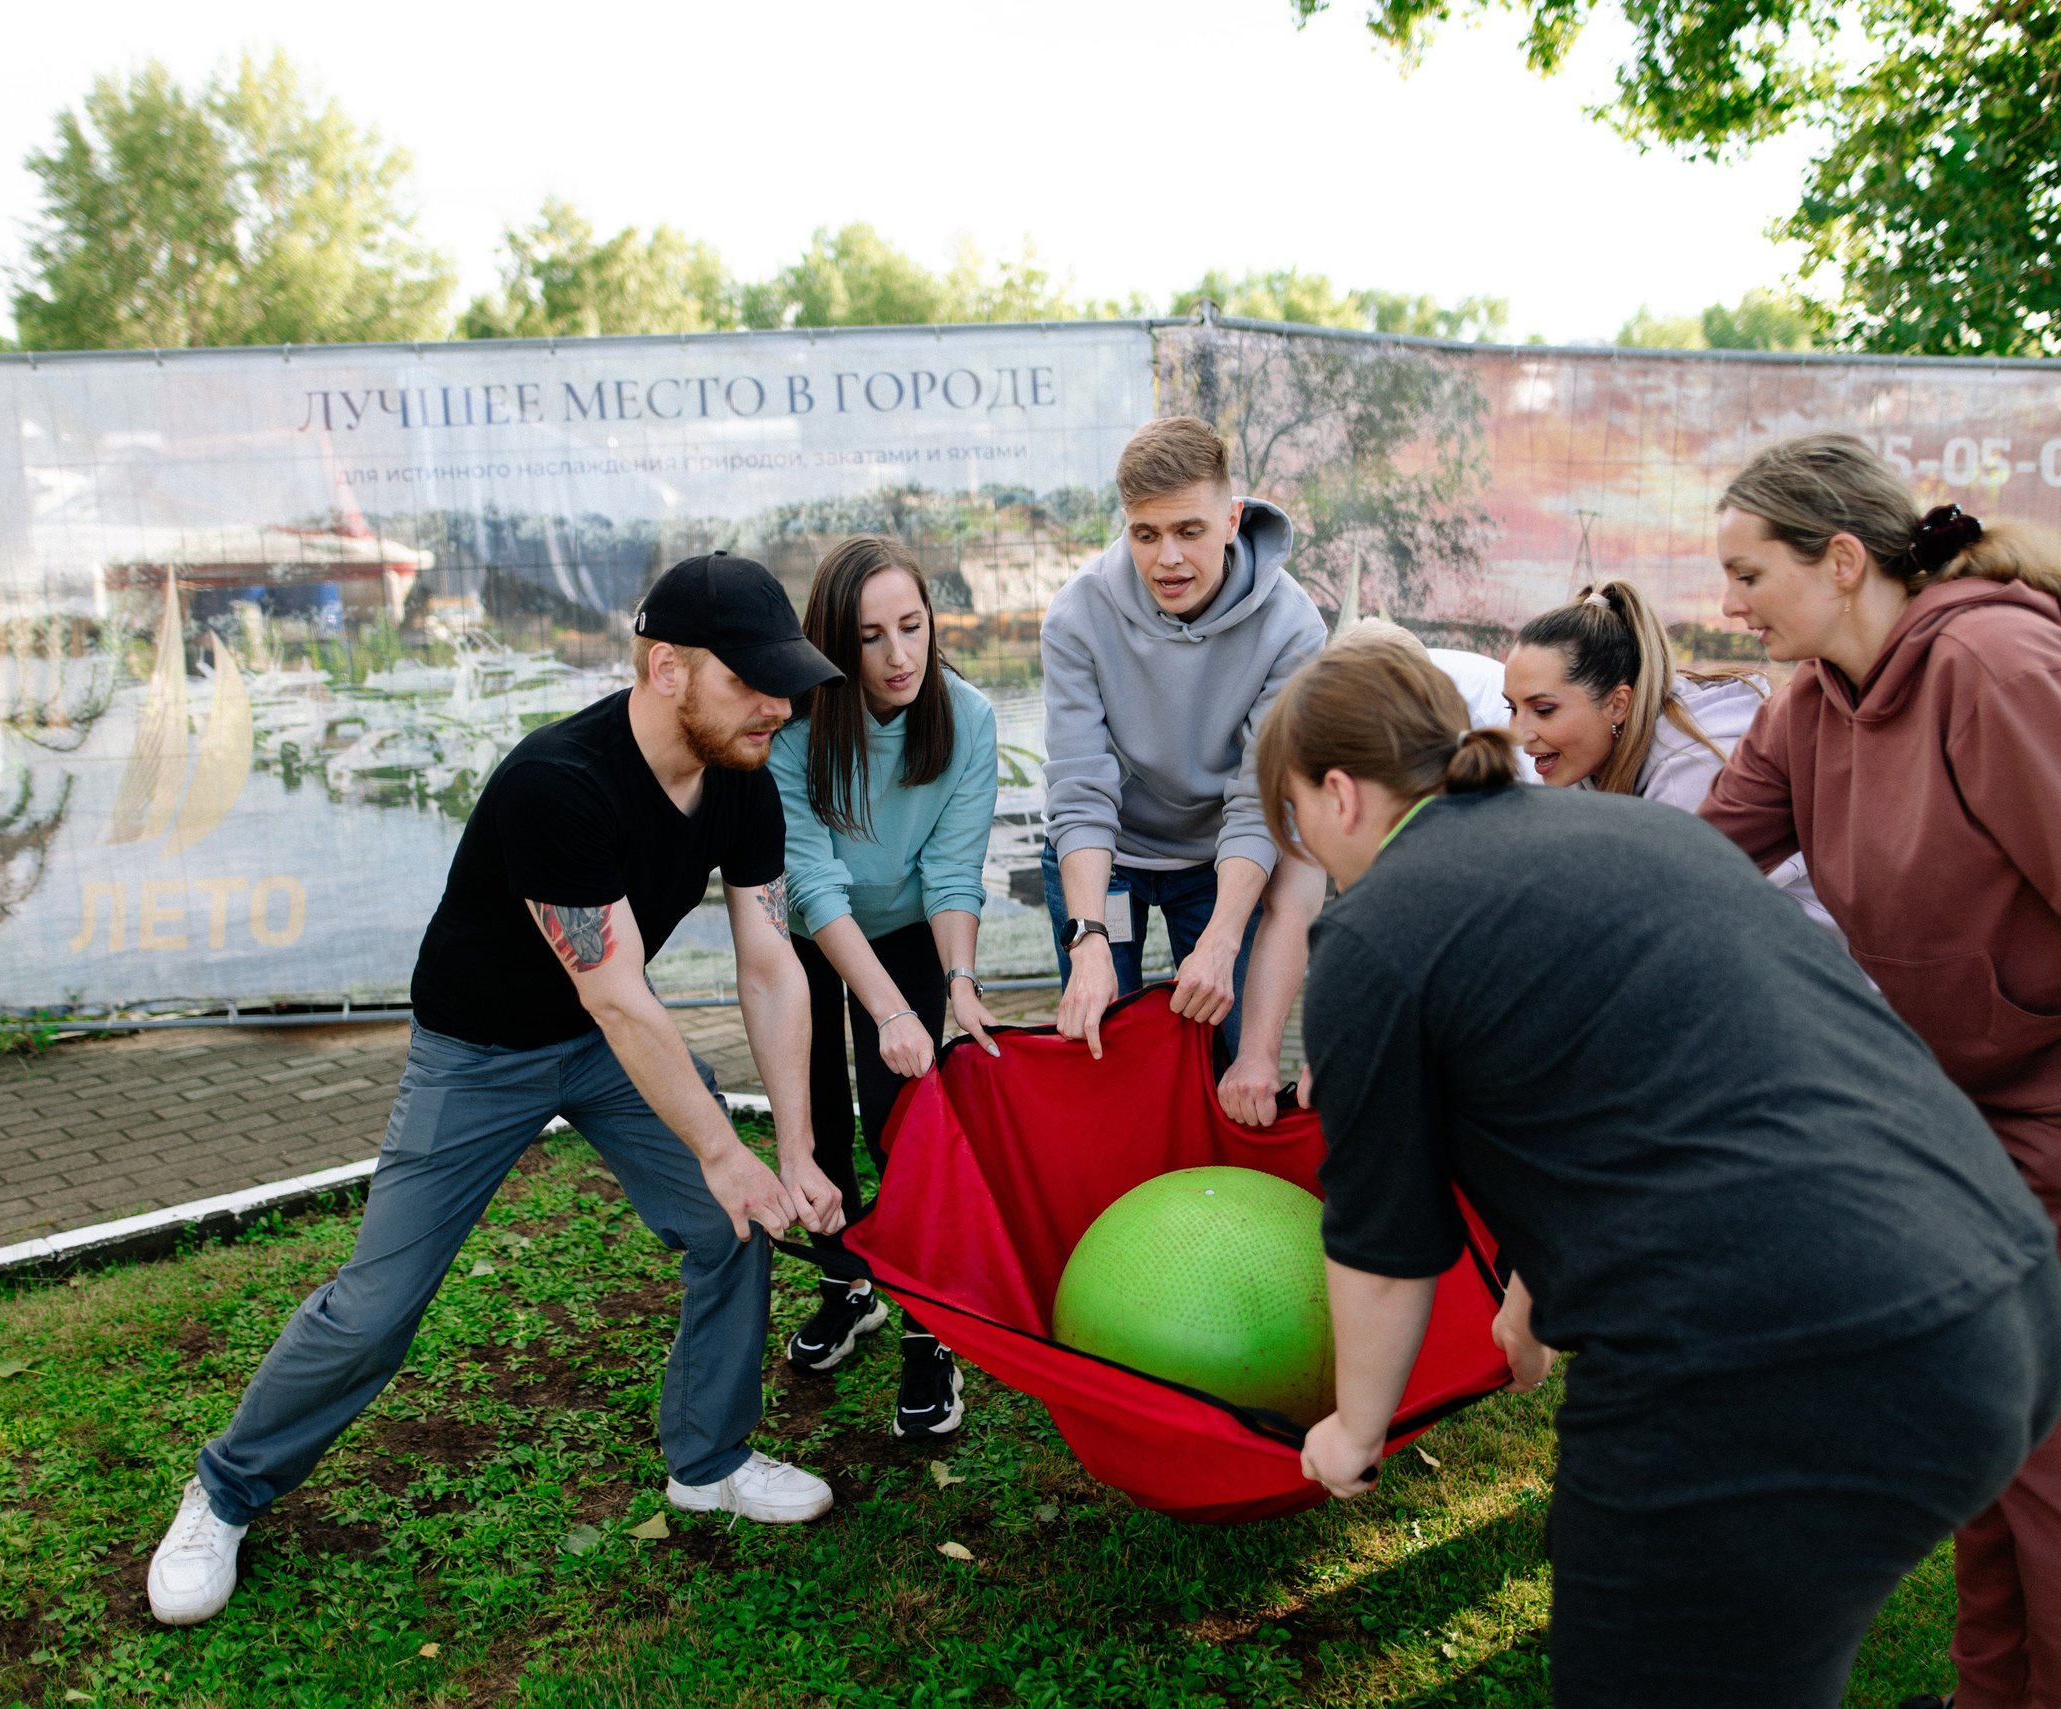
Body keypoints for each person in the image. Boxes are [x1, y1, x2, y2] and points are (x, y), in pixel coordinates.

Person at [1264, 638, 2061, 1707]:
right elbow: (1662, 1078)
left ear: (1337, 792)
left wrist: (1352, 1428)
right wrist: (1538, 1282)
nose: (1309, 853)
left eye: (1297, 825)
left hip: (1776, 1366)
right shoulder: (1637, 827)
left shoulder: (1374, 933)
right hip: (2004, 1296)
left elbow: (1383, 1247)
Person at [144, 554, 849, 1628]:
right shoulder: (556, 782)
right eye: (752, 678)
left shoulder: (743, 774)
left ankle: (708, 1459)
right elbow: (618, 994)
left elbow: (768, 961)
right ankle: (226, 1490)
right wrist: (724, 1147)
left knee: (735, 1222)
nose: (780, 704)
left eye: (785, 679)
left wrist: (791, 1149)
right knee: (378, 1305)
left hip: (609, 1042)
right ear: (666, 668)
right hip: (480, 1048)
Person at [1696, 434, 2061, 1709]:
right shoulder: (1812, 703)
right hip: (1975, 1128)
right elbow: (1691, 868)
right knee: (1988, 1438)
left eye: (1748, 574)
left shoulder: (1998, 667)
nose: (1727, 605)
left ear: (1841, 559)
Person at [767, 534, 1001, 1439]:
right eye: (871, 637)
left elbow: (951, 873)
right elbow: (813, 882)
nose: (900, 655)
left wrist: (958, 980)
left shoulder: (968, 718)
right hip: (807, 933)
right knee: (817, 1119)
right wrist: (890, 1008)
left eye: (914, 626)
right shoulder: (795, 724)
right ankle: (847, 1280)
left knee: (899, 1123)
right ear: (834, 642)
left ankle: (926, 1327)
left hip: (906, 929)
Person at [1040, 415, 1327, 1124]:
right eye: (1145, 533)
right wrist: (1089, 937)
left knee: (1223, 1060)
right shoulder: (1076, 616)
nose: (1167, 558)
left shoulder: (1294, 630)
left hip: (1219, 859)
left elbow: (1259, 801)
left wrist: (1225, 935)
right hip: (1109, 861)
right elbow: (1080, 791)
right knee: (1108, 1049)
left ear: (1231, 518)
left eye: (1189, 531)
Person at [1503, 579, 1836, 935]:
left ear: (1618, 704)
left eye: (1543, 710)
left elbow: (1666, 922)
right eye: (1512, 708)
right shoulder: (1578, 759)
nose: (1519, 734)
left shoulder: (1689, 775)